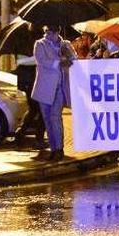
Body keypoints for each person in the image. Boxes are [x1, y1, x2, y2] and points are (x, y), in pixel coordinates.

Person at [32, 25, 77, 161]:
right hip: (44, 88)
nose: (48, 34)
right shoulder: (40, 44)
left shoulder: (66, 44)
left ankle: (59, 149)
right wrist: (59, 62)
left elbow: (75, 60)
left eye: (51, 32)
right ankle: (53, 148)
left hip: (60, 88)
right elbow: (41, 60)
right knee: (47, 119)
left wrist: (68, 55)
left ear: (58, 32)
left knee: (55, 117)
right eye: (46, 31)